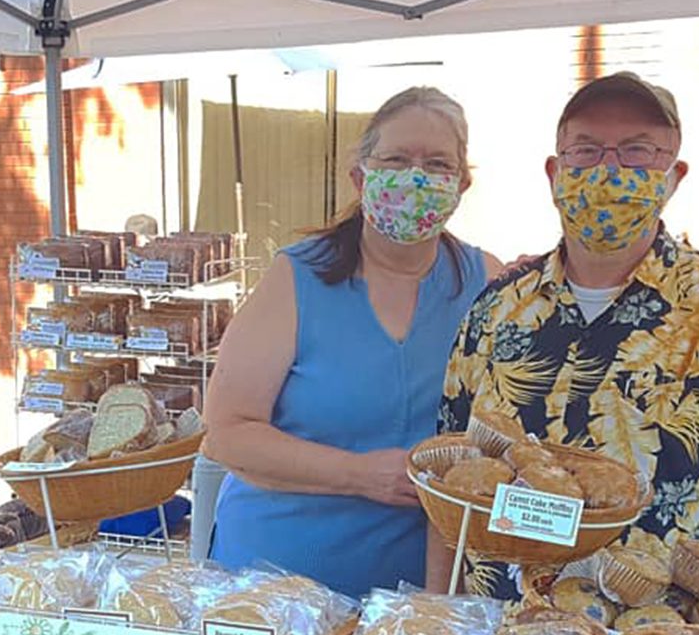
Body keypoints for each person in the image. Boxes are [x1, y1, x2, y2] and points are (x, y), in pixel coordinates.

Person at [431, 72, 699, 603]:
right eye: (585, 150)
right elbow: (451, 473)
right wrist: (444, 615)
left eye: (637, 152)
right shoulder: (499, 308)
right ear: (554, 172)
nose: (609, 169)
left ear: (673, 176)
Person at [203, 86, 500, 599]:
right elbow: (227, 433)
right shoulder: (296, 278)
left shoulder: (485, 284)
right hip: (276, 587)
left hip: (417, 600)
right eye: (397, 159)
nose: (416, 177)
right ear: (360, 176)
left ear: (462, 184)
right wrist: (360, 474)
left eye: (436, 164)